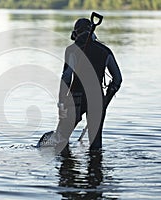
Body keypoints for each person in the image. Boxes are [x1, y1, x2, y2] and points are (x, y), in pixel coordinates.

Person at [37, 18, 122, 151]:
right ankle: (95, 169)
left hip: (75, 98)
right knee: (95, 146)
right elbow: (117, 80)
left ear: (75, 33)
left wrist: (61, 102)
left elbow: (66, 77)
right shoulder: (105, 51)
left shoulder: (72, 50)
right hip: (96, 100)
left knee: (62, 139)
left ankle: (66, 167)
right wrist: (106, 99)